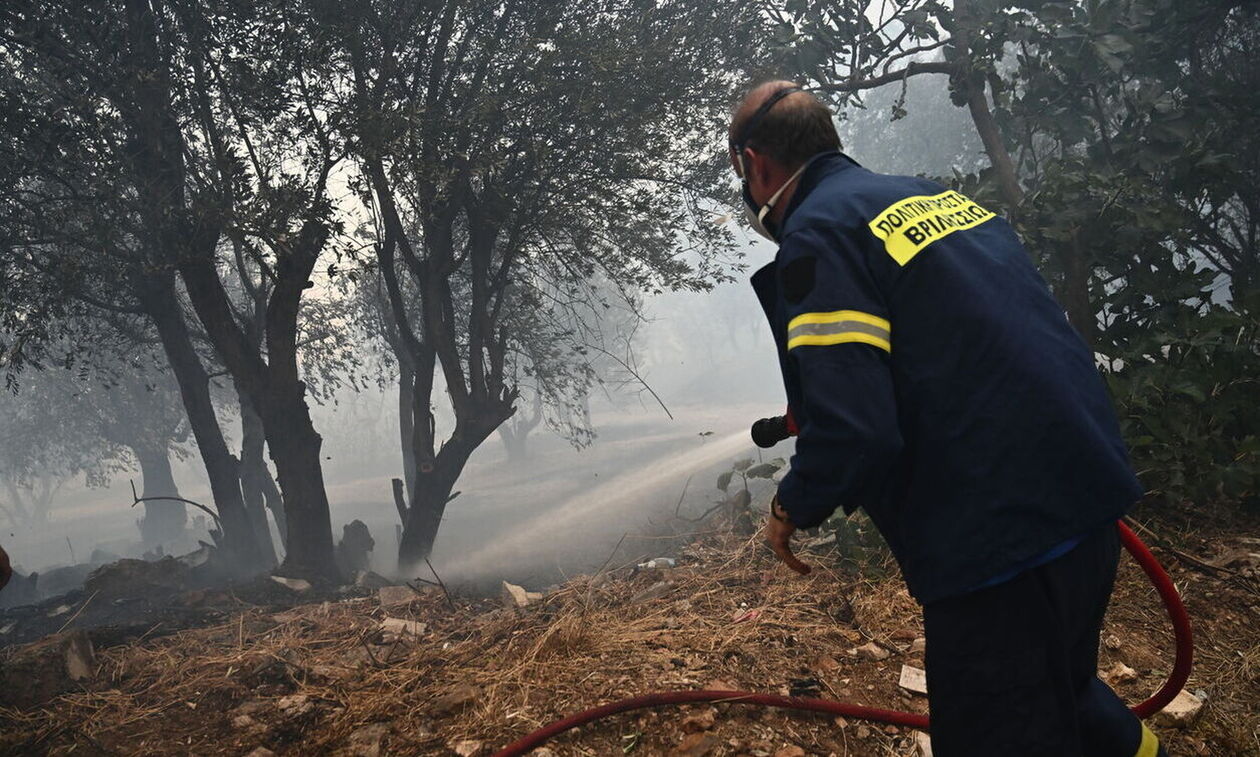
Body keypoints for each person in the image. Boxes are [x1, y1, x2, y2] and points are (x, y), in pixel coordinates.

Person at [731, 80, 1162, 757]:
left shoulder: (818, 231)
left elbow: (856, 430)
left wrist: (793, 504)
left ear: (756, 165)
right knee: (1067, 691)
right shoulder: (934, 198)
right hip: (1085, 498)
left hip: (998, 545)